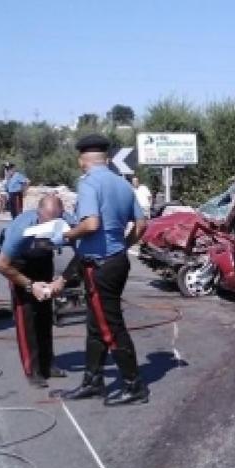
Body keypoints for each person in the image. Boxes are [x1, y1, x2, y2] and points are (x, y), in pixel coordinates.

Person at [50, 134, 149, 405]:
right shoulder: (123, 184)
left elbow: (91, 224)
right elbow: (142, 225)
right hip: (117, 261)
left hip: (100, 266)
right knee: (96, 326)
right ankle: (93, 381)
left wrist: (66, 235)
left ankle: (134, 385)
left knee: (110, 327)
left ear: (82, 160)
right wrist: (123, 245)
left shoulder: (89, 183)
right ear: (105, 158)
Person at [0, 194, 72, 388]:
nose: (52, 225)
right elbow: (1, 265)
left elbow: (85, 251)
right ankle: (33, 369)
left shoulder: (69, 223)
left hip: (43, 260)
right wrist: (30, 285)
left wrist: (62, 280)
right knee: (27, 315)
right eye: (47, 221)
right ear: (39, 214)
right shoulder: (22, 229)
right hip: (18, 263)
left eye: (56, 220)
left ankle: (48, 363)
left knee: (45, 314)